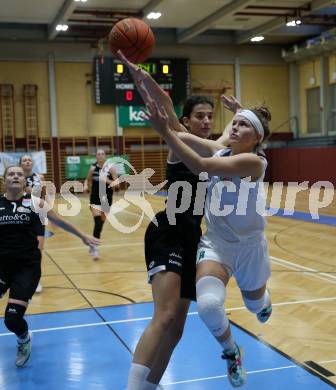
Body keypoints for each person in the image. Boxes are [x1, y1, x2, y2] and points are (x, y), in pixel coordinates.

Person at [117, 51, 241, 390]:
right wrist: (139, 76)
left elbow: (227, 137)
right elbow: (165, 103)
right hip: (168, 230)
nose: (204, 120)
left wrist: (238, 114)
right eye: (198, 116)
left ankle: (148, 387)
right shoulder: (179, 139)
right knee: (166, 316)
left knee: (177, 330)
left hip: (192, 239)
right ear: (185, 121)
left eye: (209, 116)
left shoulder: (213, 147)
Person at [143, 93, 273, 388]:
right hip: (217, 245)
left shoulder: (255, 162)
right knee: (209, 306)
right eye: (234, 123)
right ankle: (231, 350)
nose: (234, 128)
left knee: (255, 306)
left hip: (250, 247)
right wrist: (143, 81)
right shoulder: (219, 151)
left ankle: (262, 302)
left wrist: (165, 132)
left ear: (257, 138)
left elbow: (202, 165)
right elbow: (183, 135)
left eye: (243, 125)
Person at [0, 165, 100, 367]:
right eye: (11, 174)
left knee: (12, 319)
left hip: (26, 267)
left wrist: (83, 236)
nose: (16, 176)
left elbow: (59, 221)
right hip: (2, 266)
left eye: (20, 174)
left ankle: (24, 339)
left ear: (25, 181)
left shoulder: (35, 203)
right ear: (4, 180)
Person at [84, 149, 118, 260]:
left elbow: (117, 185)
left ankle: (92, 243)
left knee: (100, 224)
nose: (100, 155)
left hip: (107, 199)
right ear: (96, 157)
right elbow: (87, 180)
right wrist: (86, 187)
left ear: (105, 156)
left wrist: (107, 180)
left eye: (102, 154)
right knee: (98, 221)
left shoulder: (111, 168)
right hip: (95, 198)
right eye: (98, 154)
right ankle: (95, 248)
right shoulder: (92, 168)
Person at [20, 154, 45, 293]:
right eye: (25, 160)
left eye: (29, 160)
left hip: (38, 215)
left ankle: (36, 280)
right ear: (21, 163)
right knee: (22, 248)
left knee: (38, 250)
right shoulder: (17, 177)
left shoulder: (39, 177)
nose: (27, 162)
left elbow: (43, 195)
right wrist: (25, 192)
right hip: (22, 215)